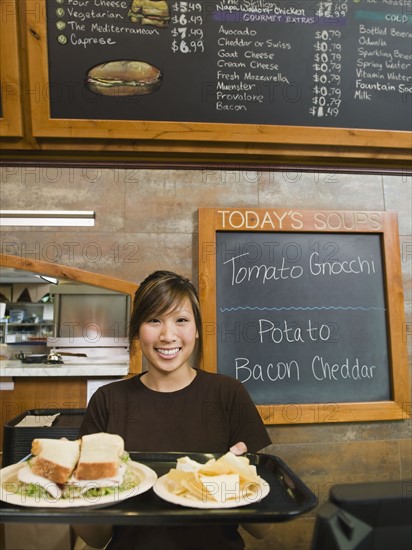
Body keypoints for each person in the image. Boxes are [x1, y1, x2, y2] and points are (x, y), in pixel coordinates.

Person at [74, 270, 271, 550]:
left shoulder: (228, 394)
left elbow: (262, 529)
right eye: (153, 320)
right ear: (136, 329)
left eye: (181, 320)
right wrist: (80, 491)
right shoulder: (108, 400)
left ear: (197, 329)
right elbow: (96, 538)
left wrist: (234, 477)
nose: (168, 335)